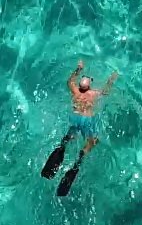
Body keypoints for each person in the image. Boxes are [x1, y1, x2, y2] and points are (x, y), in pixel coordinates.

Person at [42, 60, 117, 195]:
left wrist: (78, 69)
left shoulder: (75, 91)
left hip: (75, 117)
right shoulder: (93, 94)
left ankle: (62, 147)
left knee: (69, 136)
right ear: (89, 86)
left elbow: (69, 81)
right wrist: (111, 79)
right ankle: (80, 157)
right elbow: (106, 92)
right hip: (86, 120)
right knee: (92, 142)